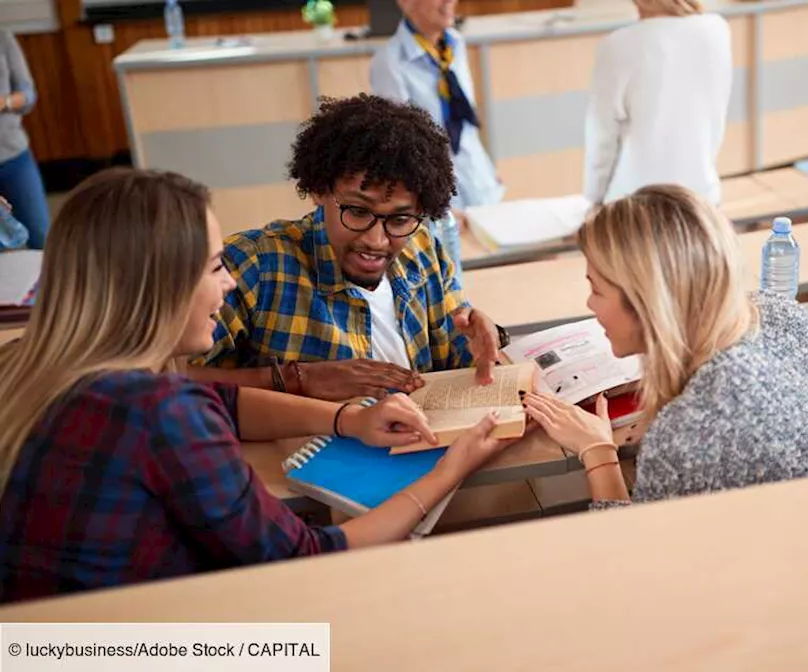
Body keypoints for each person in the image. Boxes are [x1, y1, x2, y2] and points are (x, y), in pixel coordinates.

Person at [0, 168, 513, 604]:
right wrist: (450, 468)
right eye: (216, 267)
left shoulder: (22, 361)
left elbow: (225, 402)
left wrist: (347, 419)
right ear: (160, 287)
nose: (228, 283)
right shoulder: (161, 411)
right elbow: (310, 555)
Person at [521, 185, 808, 507]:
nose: (589, 305)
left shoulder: (687, 430)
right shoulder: (779, 311)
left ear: (647, 303)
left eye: (597, 289)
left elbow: (639, 560)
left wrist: (598, 451)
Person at [187, 95, 507, 401]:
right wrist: (299, 379)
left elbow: (458, 356)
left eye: (399, 219)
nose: (376, 240)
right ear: (318, 190)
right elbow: (163, 380)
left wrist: (480, 341)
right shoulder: (254, 266)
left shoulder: (423, 250)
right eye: (357, 211)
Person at [583, 0, 731, 205]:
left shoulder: (619, 45)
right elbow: (715, 116)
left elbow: (601, 138)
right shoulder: (717, 29)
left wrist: (593, 202)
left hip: (636, 205)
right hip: (702, 196)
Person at [370, 0, 503, 209]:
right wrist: (434, 205)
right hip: (440, 199)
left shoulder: (455, 43)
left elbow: (463, 119)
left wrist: (486, 170)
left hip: (479, 183)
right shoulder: (389, 61)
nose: (450, 1)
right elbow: (402, 147)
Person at [0, 30, 49, 249]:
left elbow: (28, 94)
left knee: (41, 235)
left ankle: (52, 284)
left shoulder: (3, 37)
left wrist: (6, 102)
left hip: (14, 156)